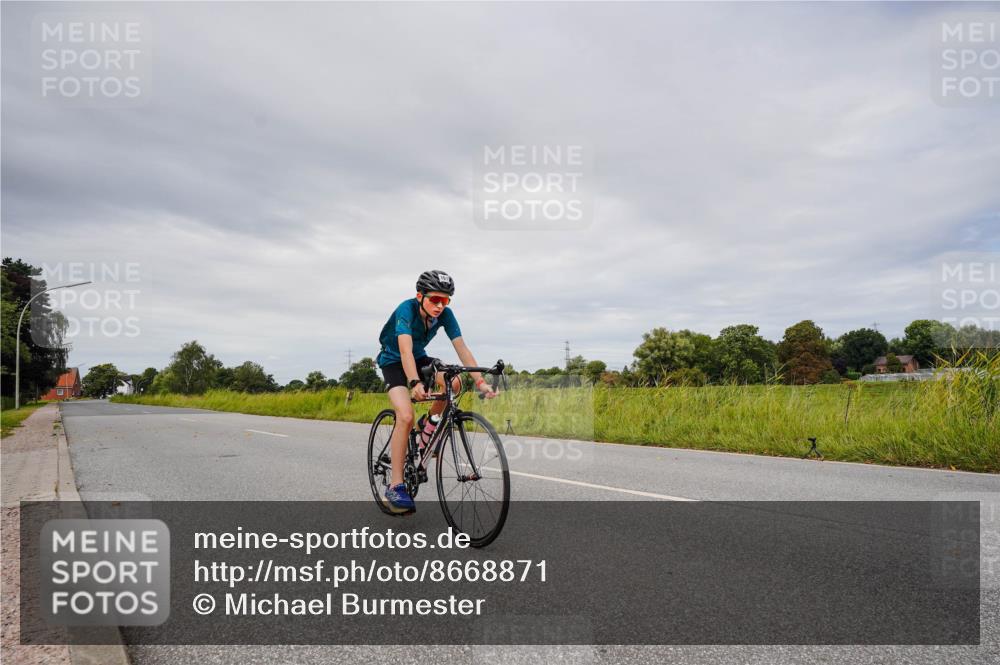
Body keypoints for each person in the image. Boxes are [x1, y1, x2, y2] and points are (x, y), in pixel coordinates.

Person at [376, 270, 497, 514]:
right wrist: (414, 383)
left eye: (445, 300)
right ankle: (396, 485)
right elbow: (405, 351)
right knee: (406, 416)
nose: (440, 306)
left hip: (419, 358)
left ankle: (429, 426)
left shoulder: (446, 314)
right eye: (435, 300)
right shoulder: (406, 310)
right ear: (420, 296)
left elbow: (461, 347)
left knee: (454, 382)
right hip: (394, 361)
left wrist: (481, 382)